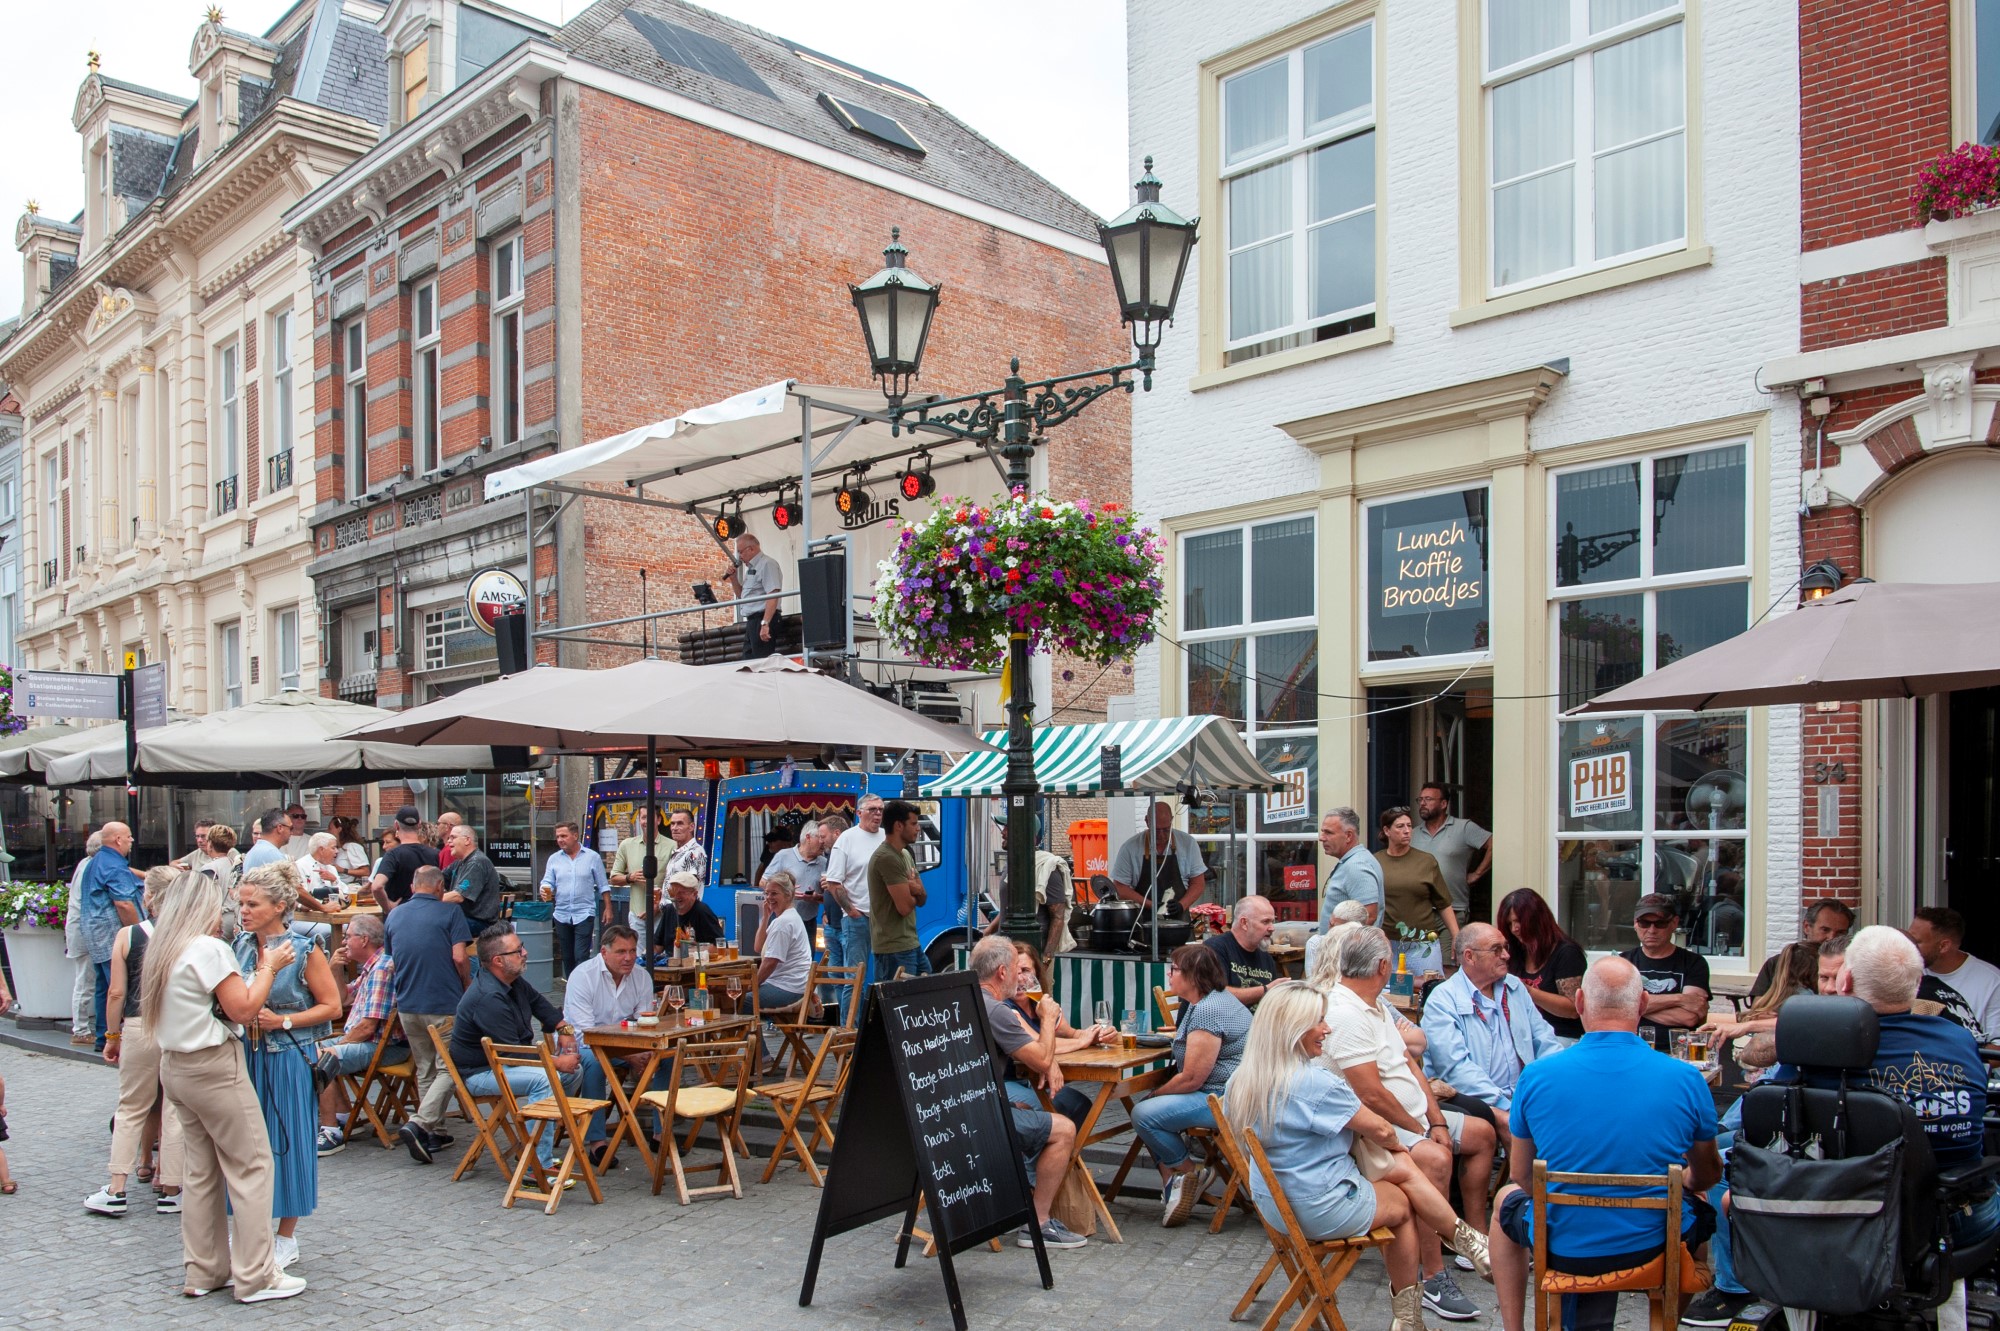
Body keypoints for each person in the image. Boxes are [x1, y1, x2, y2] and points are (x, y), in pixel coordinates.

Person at [1225, 984, 1489, 1331]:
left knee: (1399, 1169)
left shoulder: (1241, 1080)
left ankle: (1463, 1245)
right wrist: (1399, 1143)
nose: (1327, 1029)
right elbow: (1381, 1129)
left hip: (1276, 1204)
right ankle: (1415, 1311)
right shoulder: (1314, 1083)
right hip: (1317, 1205)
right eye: (1319, 1021)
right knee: (1405, 1205)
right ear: (1293, 1028)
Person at [1487, 957, 1720, 1331]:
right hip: (1652, 1246)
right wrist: (1687, 1184)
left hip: (1564, 1245)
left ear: (1579, 1002)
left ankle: (1514, 1327)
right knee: (1700, 1211)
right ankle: (1669, 1321)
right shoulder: (1685, 1078)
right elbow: (1708, 1173)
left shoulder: (1537, 1076)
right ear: (1643, 1004)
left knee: (1503, 1201)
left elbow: (1521, 1175)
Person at [141, 870, 307, 1301]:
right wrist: (269, 967)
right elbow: (243, 1009)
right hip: (212, 1066)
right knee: (252, 1165)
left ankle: (204, 1270)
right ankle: (256, 1275)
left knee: (201, 1171)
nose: (228, 912)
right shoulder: (207, 948)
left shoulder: (163, 947)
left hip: (176, 1065)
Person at [1322, 925, 1498, 1320]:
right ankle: (1434, 1275)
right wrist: (1422, 1130)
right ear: (1384, 966)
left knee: (1483, 1133)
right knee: (1435, 1159)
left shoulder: (1375, 1002)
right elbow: (1370, 1095)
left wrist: (1434, 1119)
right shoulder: (1344, 1011)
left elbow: (1408, 1062)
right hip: (1371, 1124)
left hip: (1412, 1117)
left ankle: (1474, 1240)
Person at [232, 862, 341, 1272]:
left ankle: (286, 1235)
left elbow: (331, 1006)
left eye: (252, 904)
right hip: (246, 1056)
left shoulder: (304, 947)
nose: (243, 911)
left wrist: (284, 1021)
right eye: (241, 903)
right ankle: (249, 1226)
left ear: (279, 906)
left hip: (288, 1056)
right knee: (246, 1143)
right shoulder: (239, 945)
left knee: (290, 1140)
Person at [405, 924, 584, 1172]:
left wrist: (563, 1028)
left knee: (573, 1071)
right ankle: (536, 1166)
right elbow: (512, 1053)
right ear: (498, 961)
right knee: (544, 1079)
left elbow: (540, 1004)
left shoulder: (513, 980)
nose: (525, 953)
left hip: (503, 1064)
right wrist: (556, 1062)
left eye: (521, 947)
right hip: (480, 1073)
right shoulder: (488, 996)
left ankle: (535, 1139)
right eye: (518, 950)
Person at [967, 936, 1090, 1250]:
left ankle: (1019, 1191)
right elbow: (1041, 1058)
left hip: (952, 1113)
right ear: (1001, 974)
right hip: (980, 1116)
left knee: (1030, 1107)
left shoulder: (961, 999)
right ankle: (1038, 1223)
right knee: (1063, 1128)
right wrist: (1048, 1018)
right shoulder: (997, 1011)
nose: (1020, 978)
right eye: (1014, 969)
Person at [86, 866, 185, 1217]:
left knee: (131, 1107)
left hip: (139, 1023)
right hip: (178, 1026)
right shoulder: (190, 936)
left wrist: (112, 1036)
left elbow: (116, 992)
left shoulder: (128, 936)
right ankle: (172, 1189)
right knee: (174, 1107)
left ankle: (116, 1188)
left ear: (150, 897)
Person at [1131, 944, 1251, 1227]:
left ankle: (1189, 1172)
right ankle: (1173, 1182)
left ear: (1193, 976)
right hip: (1236, 1091)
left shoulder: (1208, 1012)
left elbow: (1192, 1078)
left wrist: (1156, 1093)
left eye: (1173, 970)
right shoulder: (1219, 1000)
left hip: (1223, 1099)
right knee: (1153, 1109)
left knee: (1143, 1114)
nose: (1169, 975)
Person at [1421, 924, 1564, 1132]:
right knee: (1513, 1127)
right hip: (1474, 1101)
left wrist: (1559, 1081)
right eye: (1496, 950)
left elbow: (1544, 1041)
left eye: (1506, 947)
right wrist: (1505, 1105)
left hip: (1524, 1097)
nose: (1506, 955)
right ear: (1469, 957)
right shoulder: (1443, 1000)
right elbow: (1455, 1069)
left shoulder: (1514, 987)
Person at [383, 864, 472, 1144]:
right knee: (450, 1066)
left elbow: (393, 961)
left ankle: (435, 1132)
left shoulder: (394, 915)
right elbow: (459, 957)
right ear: (439, 887)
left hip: (408, 1002)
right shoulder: (450, 911)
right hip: (443, 1001)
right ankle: (422, 1124)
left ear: (412, 887)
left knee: (425, 1069)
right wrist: (467, 985)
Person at [561, 924, 655, 1150]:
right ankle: (597, 1141)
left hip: (625, 1045)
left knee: (666, 1056)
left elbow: (645, 1021)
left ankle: (661, 1133)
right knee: (594, 1062)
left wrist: (641, 1051)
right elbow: (586, 1034)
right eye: (621, 952)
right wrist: (630, 1055)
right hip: (581, 1046)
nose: (629, 958)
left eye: (633, 951)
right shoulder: (583, 976)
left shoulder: (641, 977)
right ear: (604, 952)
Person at [312, 912, 398, 1155]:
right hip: (369, 1040)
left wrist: (338, 1045)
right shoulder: (371, 965)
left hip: (384, 1047)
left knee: (320, 1058)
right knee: (312, 1048)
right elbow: (342, 999)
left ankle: (331, 1131)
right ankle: (342, 1114)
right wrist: (335, 969)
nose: (344, 941)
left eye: (348, 936)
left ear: (363, 940)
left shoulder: (381, 969)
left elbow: (368, 1027)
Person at [1619, 893, 1710, 1052]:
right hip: (1630, 1050)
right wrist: (1680, 999)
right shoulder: (1622, 963)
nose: (1652, 930)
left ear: (1674, 923)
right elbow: (1617, 1007)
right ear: (1635, 924)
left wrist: (1633, 1007)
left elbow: (1689, 1017)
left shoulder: (1694, 962)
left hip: (1677, 1052)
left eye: (1660, 923)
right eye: (1644, 923)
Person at [80, 821, 143, 1053]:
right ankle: (116, 1038)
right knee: (119, 986)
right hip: (110, 934)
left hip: (96, 933)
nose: (131, 841)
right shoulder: (113, 864)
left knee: (103, 985)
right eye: (128, 837)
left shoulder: (97, 860)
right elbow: (124, 903)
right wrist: (140, 933)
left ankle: (101, 1035)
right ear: (118, 840)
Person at [1496, 889, 1586, 1043]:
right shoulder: (1515, 952)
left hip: (1560, 1038)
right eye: (1510, 923)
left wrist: (1528, 991)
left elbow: (1573, 1009)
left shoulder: (1567, 953)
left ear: (1537, 919)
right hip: (1521, 1036)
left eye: (1518, 921)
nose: (1514, 929)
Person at [821, 800, 884, 1016]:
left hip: (884, 919)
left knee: (885, 975)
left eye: (880, 810)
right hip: (858, 918)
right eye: (872, 810)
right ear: (859, 813)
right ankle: (849, 1033)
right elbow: (833, 882)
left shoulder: (886, 837)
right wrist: (851, 911)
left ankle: (879, 1028)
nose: (877, 814)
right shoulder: (847, 839)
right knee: (855, 977)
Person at [1377, 807, 1456, 972]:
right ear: (1386, 831)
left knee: (1428, 989)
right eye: (1400, 827)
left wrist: (1456, 935)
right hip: (1386, 943)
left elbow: (1443, 903)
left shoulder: (1426, 861)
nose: (1407, 831)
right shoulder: (1375, 862)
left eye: (1409, 826)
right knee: (1388, 994)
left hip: (1422, 944)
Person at [1909, 905, 2000, 1039]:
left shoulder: (1991, 981)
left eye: (1917, 942)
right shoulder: (1905, 970)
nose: (1909, 946)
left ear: (1944, 946)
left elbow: (1997, 1050)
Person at [1412, 782, 1493, 926]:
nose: (1423, 803)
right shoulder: (1412, 835)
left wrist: (1477, 874)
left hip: (1454, 908)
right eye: (1420, 799)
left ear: (1443, 804)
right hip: (1420, 910)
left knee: (1450, 949)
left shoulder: (1464, 828)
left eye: (1428, 799)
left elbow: (1494, 845)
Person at [868, 799, 930, 979]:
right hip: (893, 948)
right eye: (913, 823)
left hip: (911, 943)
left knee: (930, 992)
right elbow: (904, 908)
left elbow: (923, 898)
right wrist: (914, 891)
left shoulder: (904, 854)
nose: (918, 828)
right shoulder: (886, 858)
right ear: (898, 826)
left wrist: (915, 889)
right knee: (898, 1003)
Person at [539, 821, 610, 976]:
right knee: (567, 956)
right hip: (561, 913)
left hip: (584, 912)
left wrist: (608, 908)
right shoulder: (554, 859)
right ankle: (572, 988)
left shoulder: (592, 857)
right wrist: (544, 890)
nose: (560, 840)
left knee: (581, 955)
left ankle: (583, 988)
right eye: (557, 836)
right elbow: (547, 881)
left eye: (564, 836)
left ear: (575, 835)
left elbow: (603, 885)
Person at [1111, 800, 1208, 913]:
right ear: (1147, 821)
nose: (1161, 835)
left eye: (1166, 830)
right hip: (1142, 919)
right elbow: (1120, 887)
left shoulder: (1188, 844)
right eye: (1156, 830)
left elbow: (1198, 883)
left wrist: (1181, 905)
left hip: (1179, 921)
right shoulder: (1130, 848)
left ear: (1171, 820)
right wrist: (1150, 905)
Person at [1747, 899, 1853, 1001]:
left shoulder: (1852, 965)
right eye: (1825, 930)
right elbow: (1759, 1008)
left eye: (1840, 933)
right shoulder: (1780, 962)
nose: (1831, 937)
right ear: (1807, 927)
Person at [1203, 894, 1285, 1006]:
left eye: (1273, 921)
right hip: (1223, 1022)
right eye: (1265, 922)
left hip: (1257, 1022)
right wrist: (1266, 990)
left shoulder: (1265, 956)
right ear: (1244, 923)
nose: (1272, 928)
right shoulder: (1214, 949)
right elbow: (1216, 996)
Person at [64, 830, 104, 1046]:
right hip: (86, 930)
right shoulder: (91, 867)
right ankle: (80, 1030)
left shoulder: (84, 864)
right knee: (85, 980)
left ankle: (82, 1027)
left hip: (81, 928)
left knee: (86, 980)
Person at [752, 871, 813, 1012]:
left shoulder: (783, 923)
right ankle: (754, 1033)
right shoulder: (788, 917)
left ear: (788, 895)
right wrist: (766, 917)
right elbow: (758, 947)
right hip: (794, 986)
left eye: (774, 893)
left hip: (787, 988)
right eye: (766, 893)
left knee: (739, 1000)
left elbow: (770, 962)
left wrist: (752, 985)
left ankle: (749, 1033)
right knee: (740, 996)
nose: (769, 898)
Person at [608, 813, 672, 935]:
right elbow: (614, 878)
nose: (646, 821)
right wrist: (630, 877)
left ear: (658, 820)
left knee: (662, 953)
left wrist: (658, 906)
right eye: (643, 817)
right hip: (637, 916)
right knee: (639, 953)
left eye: (650, 817)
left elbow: (675, 884)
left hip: (663, 914)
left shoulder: (672, 846)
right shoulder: (626, 845)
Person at [723, 530, 783, 659]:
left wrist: (765, 623)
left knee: (760, 662)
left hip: (763, 617)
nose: (739, 556)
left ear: (751, 549)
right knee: (748, 661)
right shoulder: (750, 569)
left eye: (740, 551)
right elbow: (742, 596)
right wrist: (733, 579)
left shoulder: (767, 564)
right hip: (752, 621)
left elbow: (773, 594)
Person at [1318, 807, 1383, 929]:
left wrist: (1339, 940)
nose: (1322, 838)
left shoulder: (1357, 866)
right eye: (1323, 832)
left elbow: (1369, 916)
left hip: (1346, 947)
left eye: (1329, 832)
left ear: (1348, 836)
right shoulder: (1354, 861)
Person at [764, 821, 827, 939]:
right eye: (820, 837)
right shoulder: (783, 856)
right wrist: (787, 891)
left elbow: (829, 896)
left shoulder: (824, 863)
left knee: (807, 957)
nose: (823, 842)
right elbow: (763, 883)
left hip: (808, 922)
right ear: (808, 837)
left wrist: (816, 897)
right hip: (781, 919)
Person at [369, 806, 440, 911]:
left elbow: (376, 886)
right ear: (419, 824)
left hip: (399, 917)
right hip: (428, 913)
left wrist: (388, 907)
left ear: (396, 825)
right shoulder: (435, 854)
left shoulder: (393, 855)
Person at [441, 824, 503, 936]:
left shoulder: (476, 862)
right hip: (467, 919)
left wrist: (427, 899)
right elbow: (438, 878)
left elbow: (458, 896)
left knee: (435, 926)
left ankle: (454, 954)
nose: (448, 841)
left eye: (453, 837)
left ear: (467, 840)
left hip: (481, 924)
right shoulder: (460, 862)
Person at [655, 871, 725, 950]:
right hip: (670, 961)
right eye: (673, 892)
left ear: (694, 894)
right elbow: (657, 946)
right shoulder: (669, 910)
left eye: (682, 892)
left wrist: (694, 949)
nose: (677, 896)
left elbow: (721, 947)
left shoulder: (702, 911)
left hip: (696, 961)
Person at [295, 832, 344, 900]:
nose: (337, 851)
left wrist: (334, 880)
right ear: (321, 850)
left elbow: (343, 896)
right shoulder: (300, 866)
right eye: (333, 848)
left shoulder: (331, 868)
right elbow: (302, 895)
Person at [330, 817, 371, 886]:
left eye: (330, 828)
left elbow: (365, 872)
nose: (328, 831)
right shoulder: (337, 848)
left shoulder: (352, 847)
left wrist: (343, 870)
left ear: (339, 829)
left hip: (351, 888)